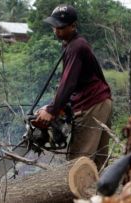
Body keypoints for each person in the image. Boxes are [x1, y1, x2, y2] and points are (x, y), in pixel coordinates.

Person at [36, 4, 113, 170]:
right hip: (100, 101)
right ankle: (96, 193)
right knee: (97, 161)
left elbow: (68, 83)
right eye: (54, 27)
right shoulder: (72, 44)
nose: (57, 31)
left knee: (78, 160)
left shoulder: (76, 47)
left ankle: (76, 195)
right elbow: (72, 83)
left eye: (61, 28)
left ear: (73, 26)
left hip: (92, 103)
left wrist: (51, 110)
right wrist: (54, 105)